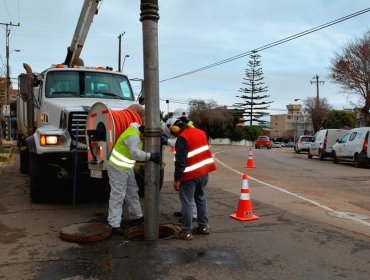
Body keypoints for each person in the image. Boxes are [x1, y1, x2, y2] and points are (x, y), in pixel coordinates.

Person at [107, 121, 161, 235]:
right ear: (143, 133)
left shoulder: (135, 133)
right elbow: (135, 153)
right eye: (145, 138)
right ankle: (114, 224)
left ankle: (136, 216)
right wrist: (150, 156)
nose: (145, 140)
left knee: (132, 191)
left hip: (126, 168)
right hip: (117, 168)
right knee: (118, 195)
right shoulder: (133, 136)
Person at [168, 118, 216, 240]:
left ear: (175, 129)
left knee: (187, 202)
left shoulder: (182, 138)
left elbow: (180, 162)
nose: (174, 136)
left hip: (189, 175)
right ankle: (203, 227)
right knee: (200, 198)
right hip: (204, 172)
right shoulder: (200, 132)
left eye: (173, 133)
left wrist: (177, 179)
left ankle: (186, 231)